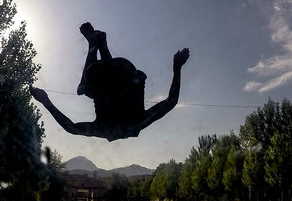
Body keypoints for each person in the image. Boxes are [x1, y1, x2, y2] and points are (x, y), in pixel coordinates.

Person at [31, 22, 190, 141]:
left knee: (95, 85)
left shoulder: (135, 124)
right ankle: (96, 45)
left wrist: (177, 67)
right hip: (118, 74)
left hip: (123, 72)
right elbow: (71, 128)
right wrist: (46, 102)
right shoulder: (111, 127)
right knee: (84, 88)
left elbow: (171, 102)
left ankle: (98, 45)